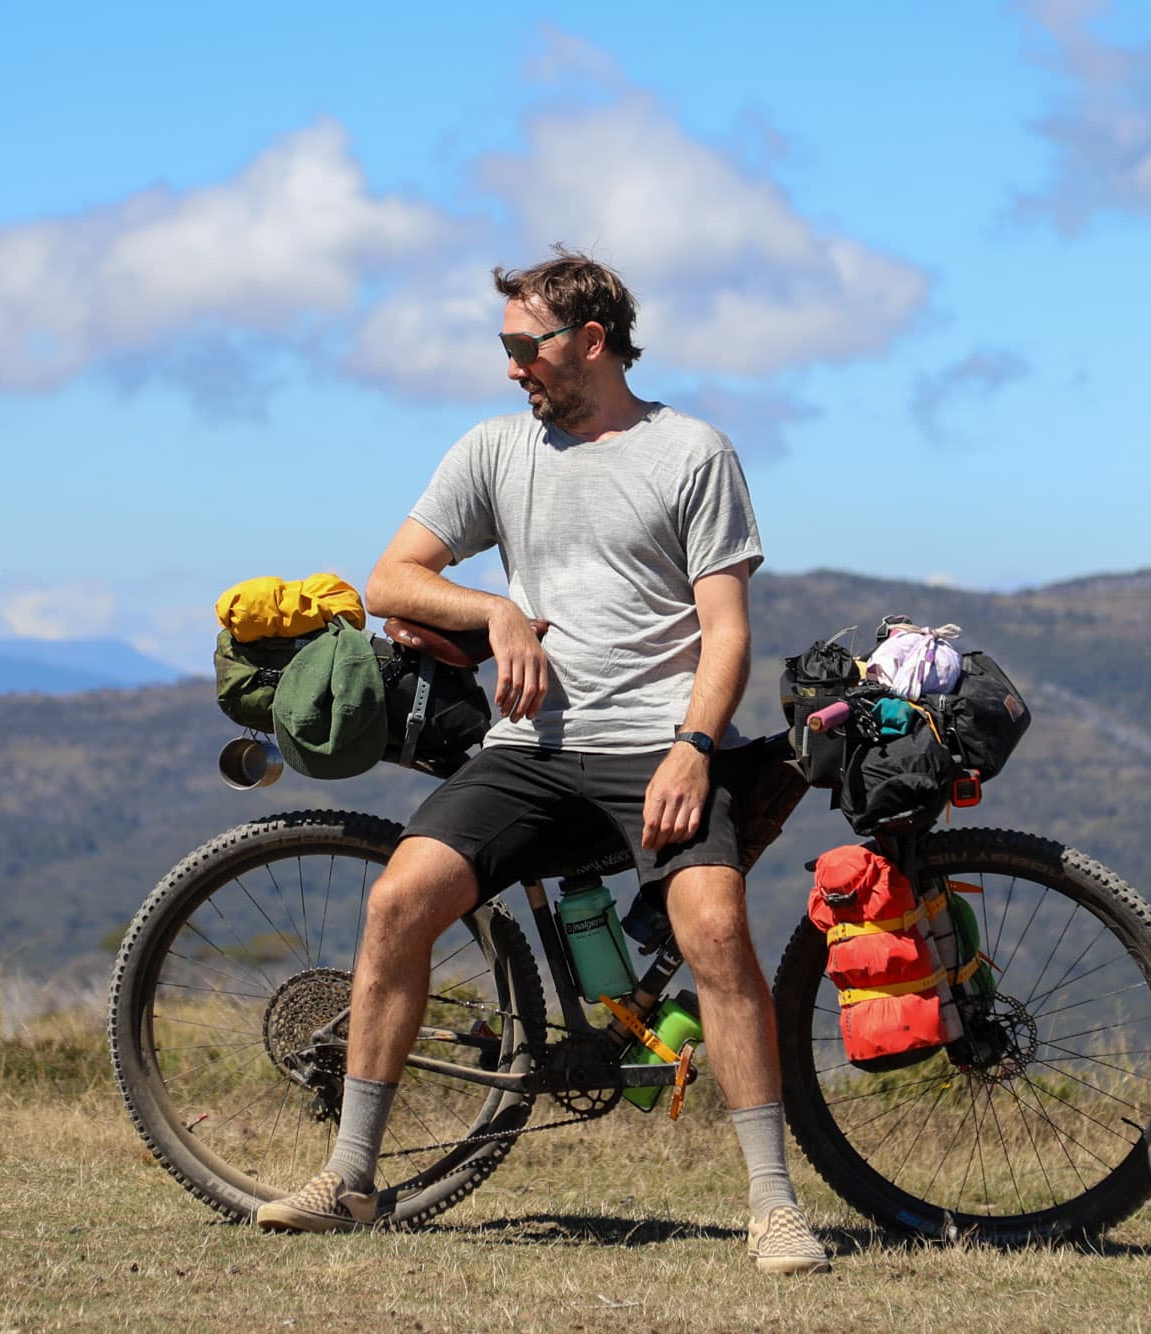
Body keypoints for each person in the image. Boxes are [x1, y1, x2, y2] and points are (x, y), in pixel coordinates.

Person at [254, 249, 831, 1275]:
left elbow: (727, 632)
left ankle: (772, 1205)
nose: (513, 365)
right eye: (506, 346)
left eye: (526, 346)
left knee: (714, 927)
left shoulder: (692, 452)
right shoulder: (492, 450)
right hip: (527, 752)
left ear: (591, 343)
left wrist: (695, 748)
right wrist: (496, 611)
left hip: (657, 744)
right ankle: (348, 1175)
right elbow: (391, 579)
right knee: (399, 902)